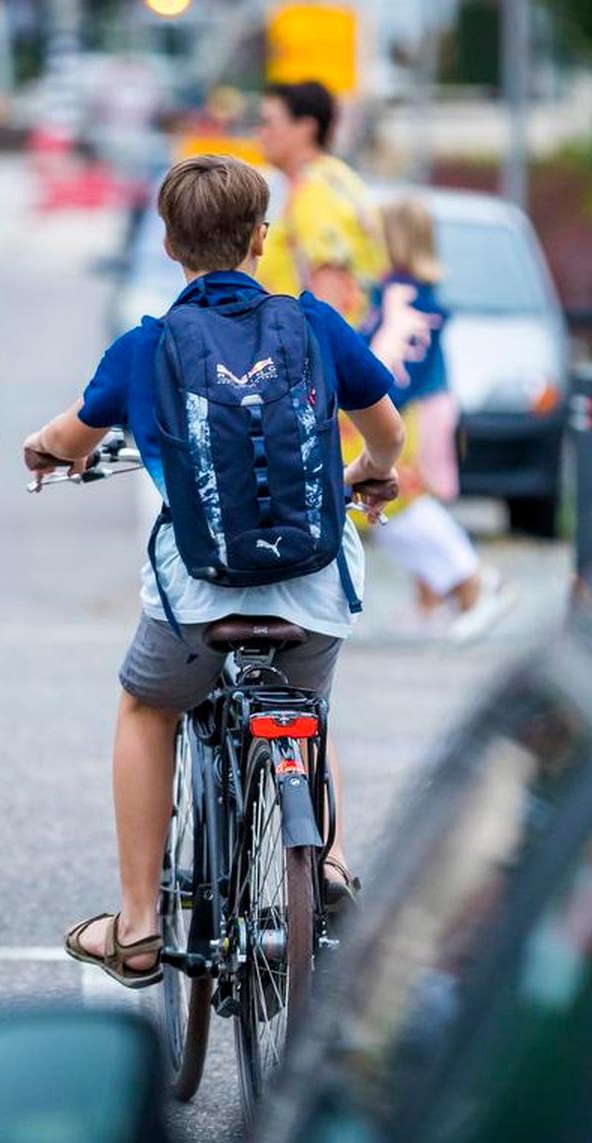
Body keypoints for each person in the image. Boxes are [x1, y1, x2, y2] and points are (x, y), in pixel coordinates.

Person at [23, 156, 404, 986]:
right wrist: (374, 468)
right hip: (312, 587)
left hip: (200, 598)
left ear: (167, 243)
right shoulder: (316, 324)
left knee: (147, 704)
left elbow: (73, 434)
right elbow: (388, 427)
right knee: (308, 703)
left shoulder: (146, 347)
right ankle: (329, 865)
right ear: (263, 239)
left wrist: (45, 450)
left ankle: (137, 924)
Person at [362, 196, 512, 642]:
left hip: (413, 410)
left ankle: (474, 583)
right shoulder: (412, 293)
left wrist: (371, 408)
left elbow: (395, 363)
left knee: (401, 499)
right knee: (403, 501)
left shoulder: (402, 296)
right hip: (427, 406)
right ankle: (437, 595)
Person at [251, 80, 387, 324]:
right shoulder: (337, 179)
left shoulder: (315, 194)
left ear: (306, 128)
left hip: (309, 354)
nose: (260, 133)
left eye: (268, 123)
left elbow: (329, 304)